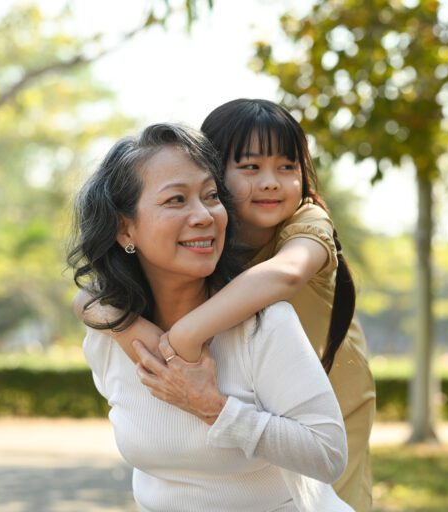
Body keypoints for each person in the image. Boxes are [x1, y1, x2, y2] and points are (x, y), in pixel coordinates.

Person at [76, 99, 376, 511]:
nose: (270, 183)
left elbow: (286, 275)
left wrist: (188, 349)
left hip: (336, 391)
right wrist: (112, 318)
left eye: (209, 195)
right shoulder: (115, 330)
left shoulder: (302, 231)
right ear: (123, 227)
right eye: (176, 199)